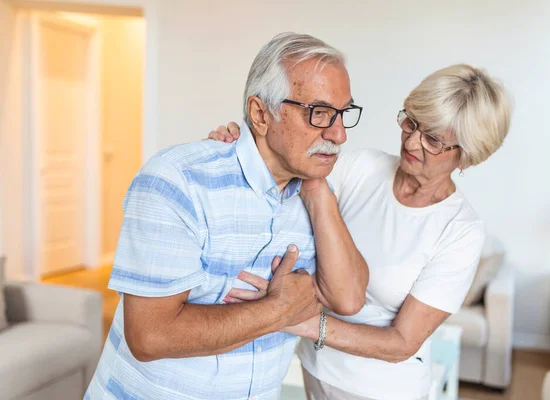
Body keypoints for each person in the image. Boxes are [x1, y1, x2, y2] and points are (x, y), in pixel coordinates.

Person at [84, 32, 369, 400]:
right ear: (260, 113)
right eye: (319, 113)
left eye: (344, 113)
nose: (339, 134)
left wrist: (317, 188)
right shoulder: (178, 180)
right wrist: (279, 309)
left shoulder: (316, 192)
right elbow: (149, 336)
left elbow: (348, 299)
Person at [208, 63, 512, 399]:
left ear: (466, 156)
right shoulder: (363, 167)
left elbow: (401, 343)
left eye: (433, 140)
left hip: (380, 390)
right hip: (312, 369)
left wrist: (288, 317)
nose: (411, 142)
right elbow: (288, 189)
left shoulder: (461, 231)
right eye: (411, 122)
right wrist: (241, 148)